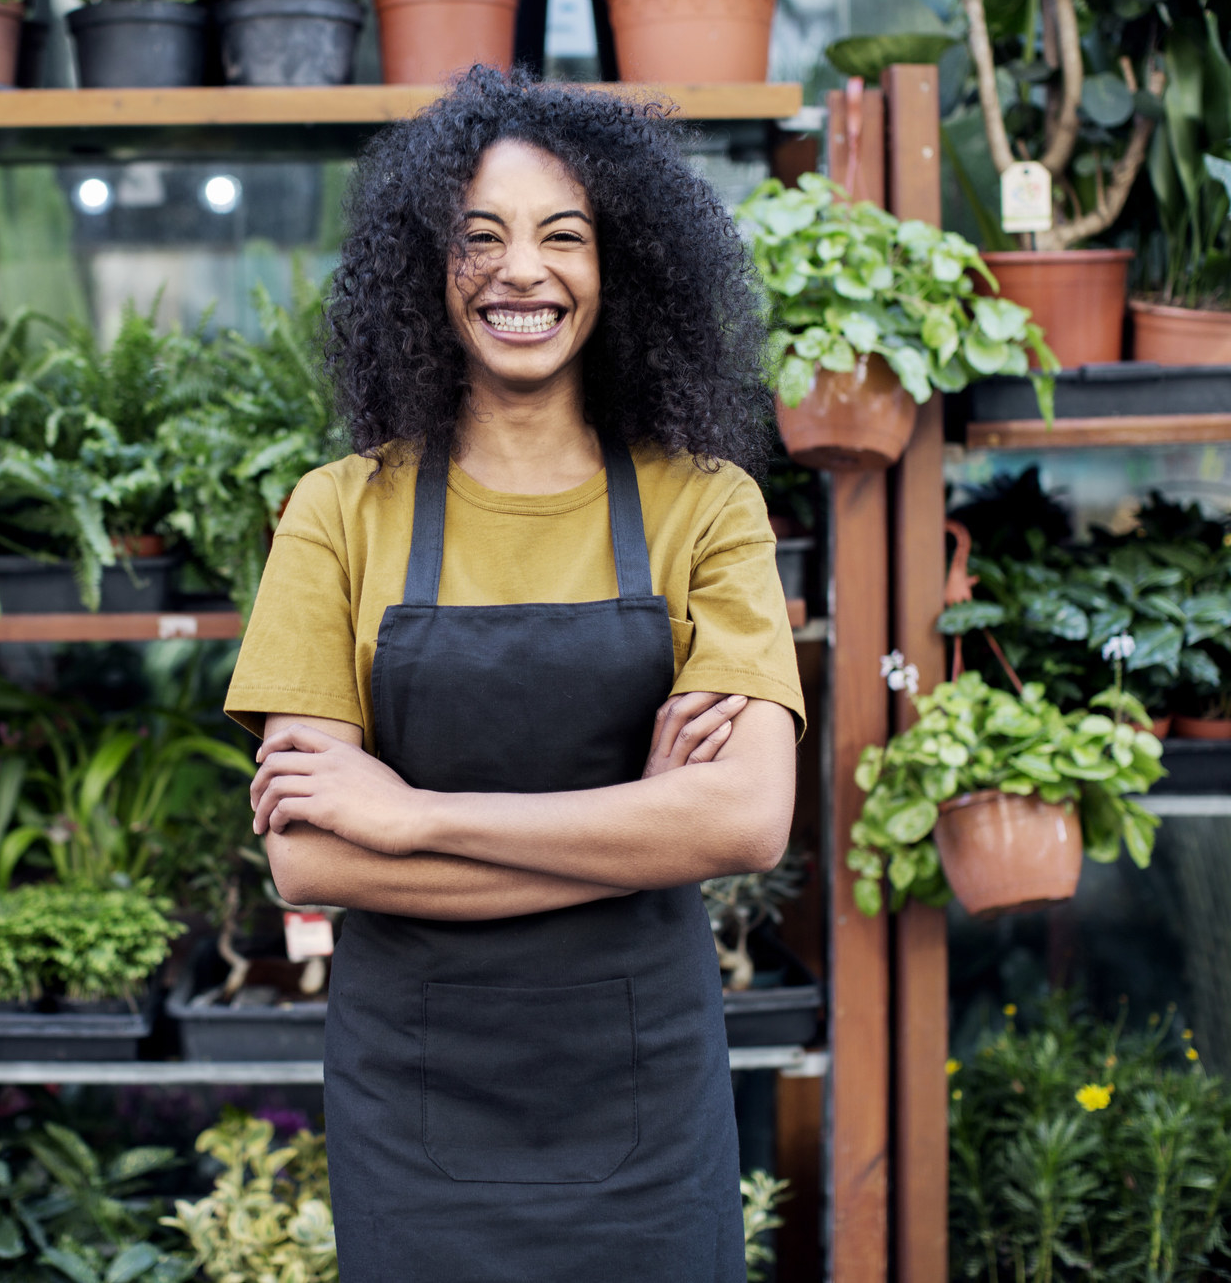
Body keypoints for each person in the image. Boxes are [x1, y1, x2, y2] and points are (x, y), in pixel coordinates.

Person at [224, 67, 803, 1282]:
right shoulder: (338, 513)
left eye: (563, 236)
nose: (521, 272)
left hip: (645, 1100)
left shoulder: (709, 505)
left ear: (623, 265)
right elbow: (312, 856)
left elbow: (746, 817)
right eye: (478, 238)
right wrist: (642, 828)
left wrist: (412, 817)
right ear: (423, 272)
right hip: (416, 1101)